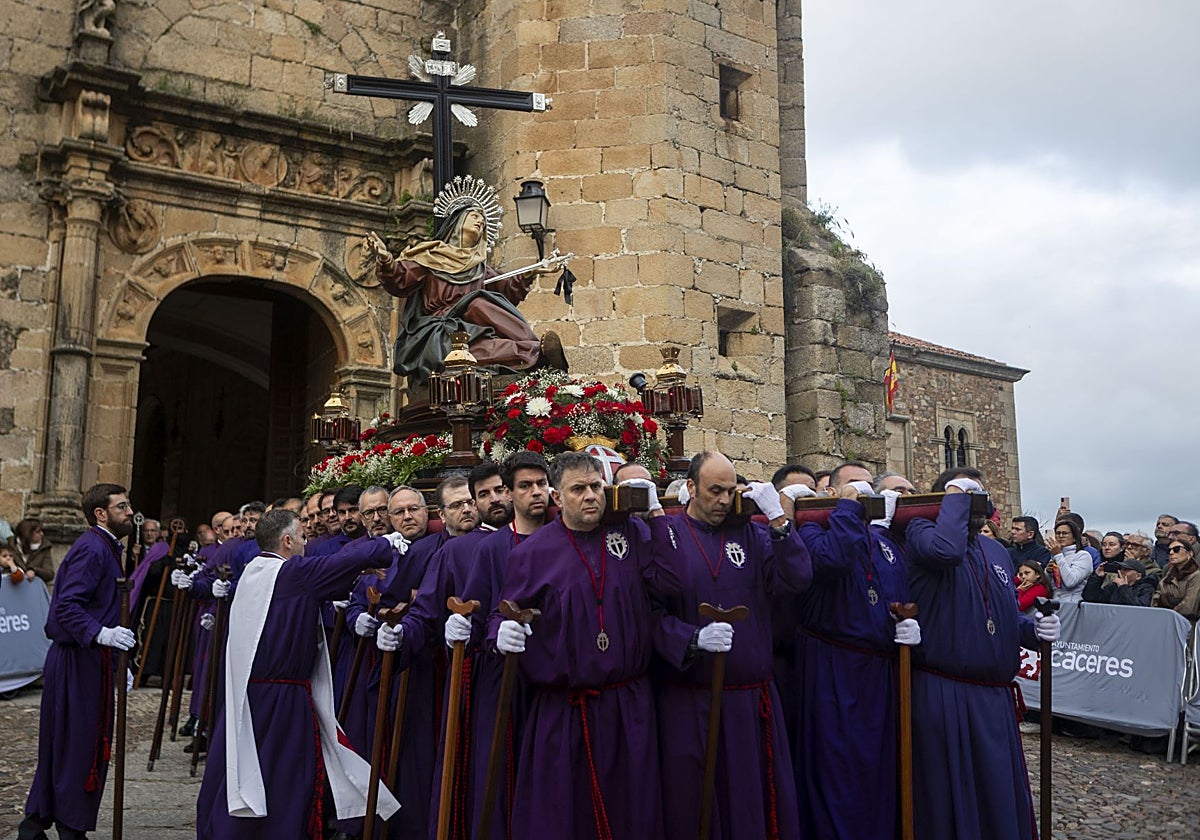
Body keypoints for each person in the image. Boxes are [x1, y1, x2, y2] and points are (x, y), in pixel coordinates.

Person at [488, 451, 682, 838]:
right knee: (566, 817)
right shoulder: (532, 553)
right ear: (558, 497)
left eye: (596, 486)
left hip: (628, 706)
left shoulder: (630, 533)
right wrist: (500, 636)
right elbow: (503, 613)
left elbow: (672, 582)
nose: (590, 495)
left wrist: (657, 514)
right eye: (578, 489)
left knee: (633, 812)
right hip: (565, 711)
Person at [195, 509, 399, 839]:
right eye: (302, 537)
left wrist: (358, 569)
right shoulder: (291, 573)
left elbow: (327, 582)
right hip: (283, 701)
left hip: (254, 694)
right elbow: (338, 564)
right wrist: (386, 544)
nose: (306, 543)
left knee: (257, 774)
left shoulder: (255, 571)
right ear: (287, 541)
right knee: (288, 780)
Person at [647, 451, 810, 840]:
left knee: (753, 804)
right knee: (696, 804)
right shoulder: (668, 534)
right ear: (690, 488)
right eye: (714, 491)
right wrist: (690, 638)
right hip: (691, 701)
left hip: (750, 701)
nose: (723, 500)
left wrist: (778, 521)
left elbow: (797, 577)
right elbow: (650, 611)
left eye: (730, 490)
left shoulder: (753, 536)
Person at [905, 468, 1059, 840]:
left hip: (994, 698)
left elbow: (1000, 612)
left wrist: (1032, 631)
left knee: (997, 795)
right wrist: (955, 494)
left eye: (980, 494)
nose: (977, 502)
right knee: (949, 795)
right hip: (946, 692)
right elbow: (948, 551)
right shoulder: (921, 534)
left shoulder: (995, 550)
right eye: (965, 495)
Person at [793, 461, 917, 840]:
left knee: (878, 771)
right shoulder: (813, 531)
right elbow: (834, 559)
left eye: (868, 487)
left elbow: (898, 589)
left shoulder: (882, 541)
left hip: (879, 674)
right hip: (833, 670)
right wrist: (845, 508)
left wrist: (908, 623)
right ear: (831, 492)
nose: (863, 493)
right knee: (836, 773)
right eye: (853, 486)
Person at [19, 484, 137, 840]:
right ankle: (68, 827)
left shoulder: (107, 547)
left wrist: (119, 660)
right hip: (77, 660)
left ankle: (37, 824)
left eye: (128, 505)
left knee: (74, 743)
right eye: (122, 506)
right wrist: (103, 634)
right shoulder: (92, 549)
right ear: (101, 514)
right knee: (77, 745)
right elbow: (67, 607)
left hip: (91, 659)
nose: (130, 512)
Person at [365, 176, 564, 381]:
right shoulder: (430, 256)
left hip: (471, 332)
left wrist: (532, 272)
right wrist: (386, 259)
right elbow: (401, 279)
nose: (481, 222)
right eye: (475, 216)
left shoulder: (478, 268)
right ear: (458, 220)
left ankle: (537, 352)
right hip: (438, 331)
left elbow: (507, 289)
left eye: (484, 221)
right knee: (478, 304)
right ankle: (536, 351)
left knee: (488, 337)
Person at [1044, 518, 1092, 603]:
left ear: (1074, 537)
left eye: (1065, 533)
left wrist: (1058, 555)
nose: (1061, 536)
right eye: (1058, 533)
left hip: (1072, 603)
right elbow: (1050, 586)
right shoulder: (1055, 555)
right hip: (1055, 602)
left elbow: (1071, 582)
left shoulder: (1083, 556)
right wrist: (1047, 573)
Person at [1151, 538, 1200, 622]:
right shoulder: (1167, 578)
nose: (1171, 553)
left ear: (1190, 553)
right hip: (1166, 623)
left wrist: (1166, 603)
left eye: (1176, 549)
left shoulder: (1197, 576)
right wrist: (1175, 601)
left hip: (1189, 626)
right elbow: (1154, 603)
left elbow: (1188, 608)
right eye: (1168, 550)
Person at [1083, 558, 1155, 607]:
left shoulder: (1147, 588)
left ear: (1138, 576)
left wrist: (1124, 588)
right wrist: (1097, 577)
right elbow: (1091, 598)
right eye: (1121, 569)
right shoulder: (1114, 587)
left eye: (1126, 570)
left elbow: (1139, 608)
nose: (1121, 572)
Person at [9, 518, 54, 586]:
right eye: (38, 532)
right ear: (27, 533)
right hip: (11, 588)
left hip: (33, 589)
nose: (42, 534)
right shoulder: (9, 546)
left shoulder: (44, 548)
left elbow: (49, 573)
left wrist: (34, 570)